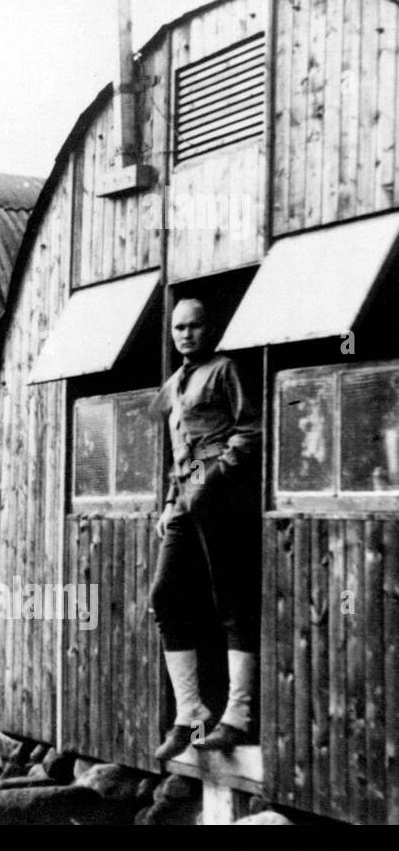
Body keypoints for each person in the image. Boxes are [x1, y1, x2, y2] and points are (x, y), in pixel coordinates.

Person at [150, 298, 262, 758]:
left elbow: (249, 431)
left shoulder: (224, 370)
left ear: (208, 329)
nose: (186, 334)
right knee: (166, 594)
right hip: (185, 500)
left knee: (231, 599)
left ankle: (237, 715)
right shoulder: (174, 383)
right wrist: (172, 501)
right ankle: (190, 713)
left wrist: (216, 475)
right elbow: (179, 452)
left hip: (221, 498)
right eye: (179, 327)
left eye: (195, 326)